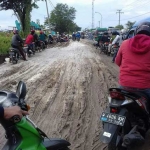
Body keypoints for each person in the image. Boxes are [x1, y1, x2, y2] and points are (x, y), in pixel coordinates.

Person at [115, 22, 150, 99]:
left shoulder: (124, 43)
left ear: (136, 32)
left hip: (125, 85)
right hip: (145, 87)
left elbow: (117, 62)